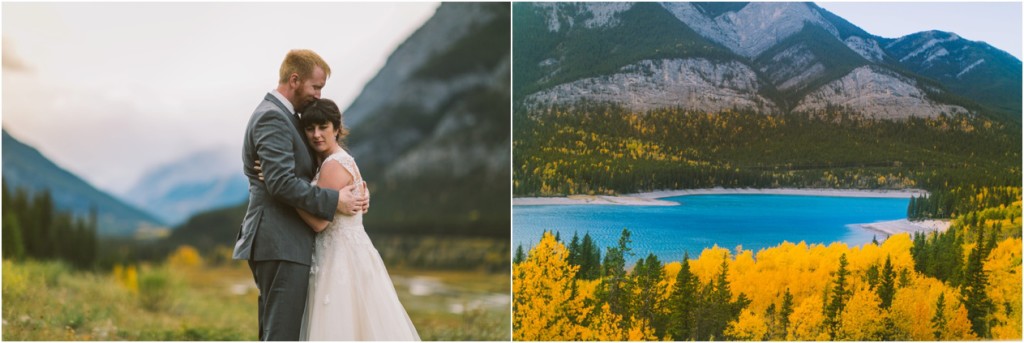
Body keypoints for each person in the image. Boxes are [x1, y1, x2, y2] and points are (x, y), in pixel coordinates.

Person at [233, 49, 368, 341]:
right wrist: (336, 201)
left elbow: (309, 170)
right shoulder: (272, 117)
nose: (318, 95)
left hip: (286, 241)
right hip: (280, 240)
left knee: (278, 331)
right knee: (282, 334)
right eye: (315, 87)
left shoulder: (285, 116)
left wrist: (356, 187)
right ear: (295, 80)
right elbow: (281, 182)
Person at [294, 98, 420, 340]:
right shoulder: (340, 160)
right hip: (350, 254)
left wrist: (287, 194)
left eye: (323, 127)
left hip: (338, 260)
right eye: (310, 129)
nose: (316, 135)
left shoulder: (333, 165)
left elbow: (319, 223)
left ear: (337, 128)